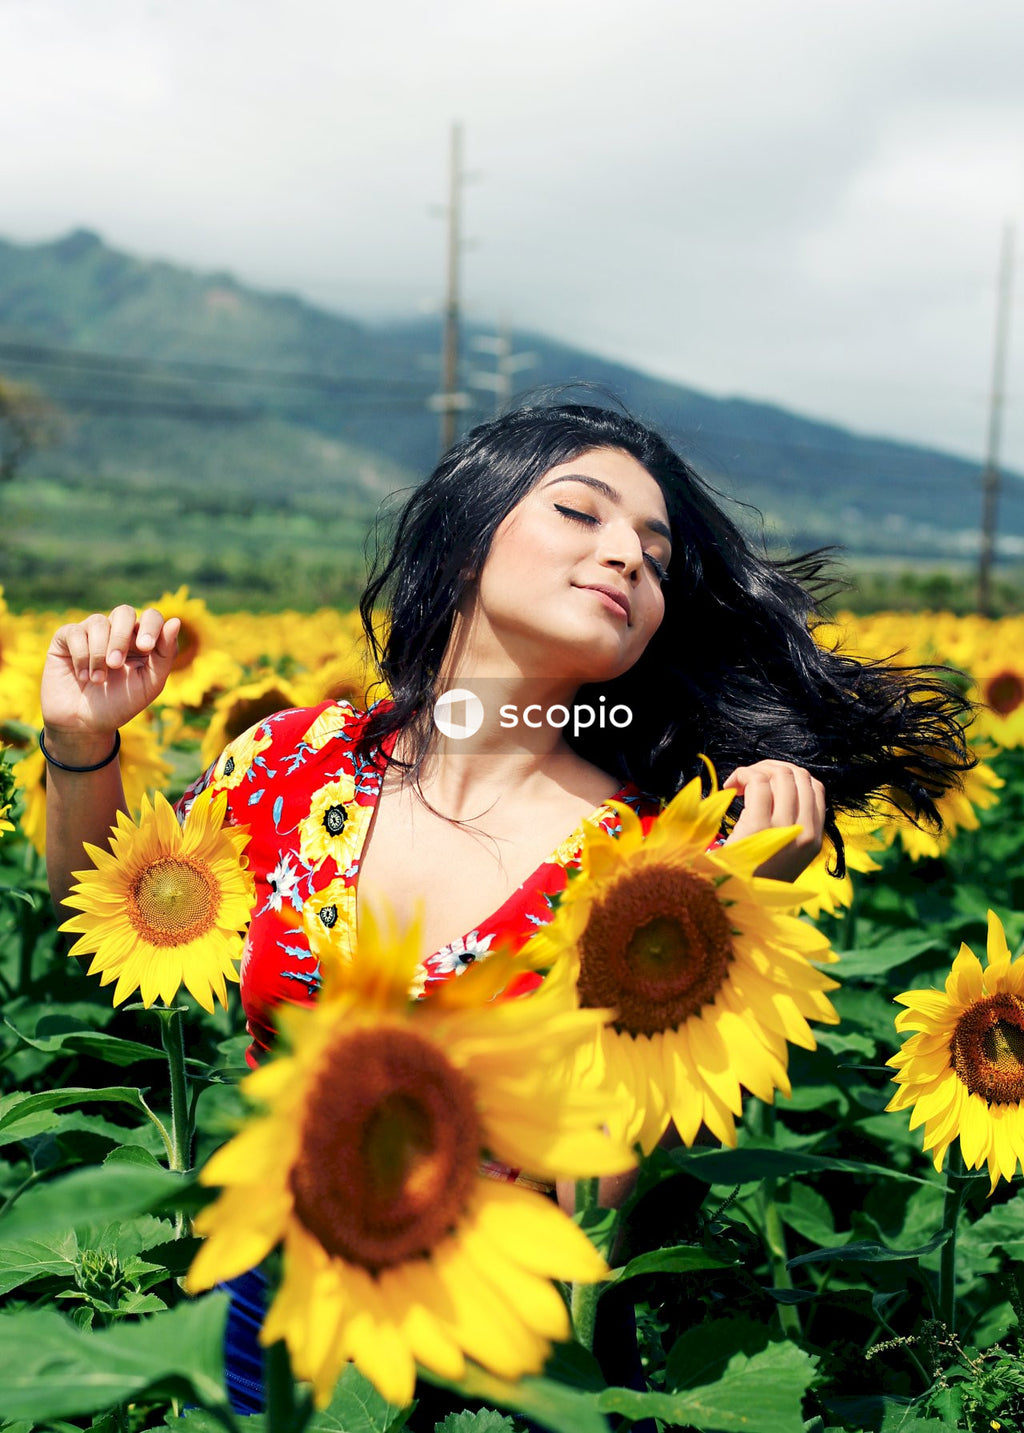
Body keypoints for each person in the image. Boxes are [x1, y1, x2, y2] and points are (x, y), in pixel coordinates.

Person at [39, 401, 973, 1416]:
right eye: (582, 512)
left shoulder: (653, 859)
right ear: (467, 528)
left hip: (509, 1342)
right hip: (266, 1295)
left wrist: (728, 912)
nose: (627, 558)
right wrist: (82, 740)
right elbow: (117, 912)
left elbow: (601, 1192)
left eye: (657, 558)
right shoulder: (293, 761)